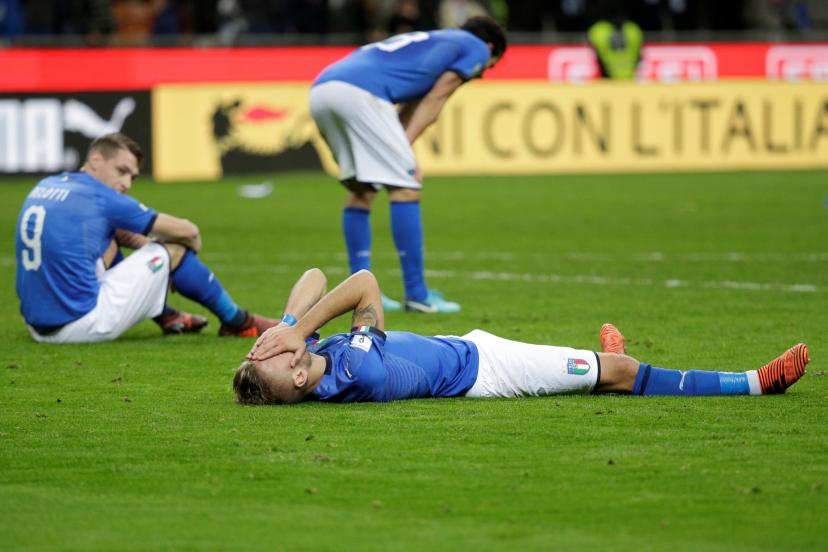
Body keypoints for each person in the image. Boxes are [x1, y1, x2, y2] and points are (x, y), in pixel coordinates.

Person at [234, 268, 810, 405]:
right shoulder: (358, 371)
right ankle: (757, 383)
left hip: (470, 344)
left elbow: (314, 275)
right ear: (296, 378)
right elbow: (362, 284)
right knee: (623, 375)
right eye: (280, 363)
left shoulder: (327, 360)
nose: (285, 355)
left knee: (606, 367)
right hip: (489, 373)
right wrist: (299, 331)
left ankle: (603, 362)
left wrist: (285, 328)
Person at [309, 16, 507, 313]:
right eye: (491, 65)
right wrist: (405, 152)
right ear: (490, 46)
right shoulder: (476, 47)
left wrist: (398, 147)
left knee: (362, 188)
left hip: (323, 89)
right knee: (406, 185)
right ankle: (417, 294)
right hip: (362, 94)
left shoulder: (434, 41)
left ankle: (355, 290)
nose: (481, 74)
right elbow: (435, 100)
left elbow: (414, 99)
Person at [15, 132, 278, 344]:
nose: (127, 183)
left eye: (132, 176)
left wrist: (149, 252)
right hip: (80, 324)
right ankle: (238, 321)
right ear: (95, 160)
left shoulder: (49, 184)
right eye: (121, 170)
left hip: (36, 327)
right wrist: (181, 253)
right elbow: (188, 231)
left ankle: (168, 316)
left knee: (112, 238)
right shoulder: (102, 197)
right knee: (174, 250)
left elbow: (111, 231)